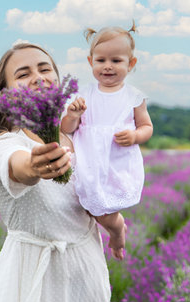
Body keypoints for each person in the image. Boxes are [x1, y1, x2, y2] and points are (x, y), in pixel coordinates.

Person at [0, 43, 111, 302]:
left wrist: (115, 224)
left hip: (87, 275)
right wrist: (36, 166)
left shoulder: (76, 136)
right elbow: (18, 165)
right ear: (6, 94)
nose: (38, 77)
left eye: (45, 69)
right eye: (23, 74)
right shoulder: (1, 145)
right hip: (33, 280)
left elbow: (90, 199)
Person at [61, 24, 153, 260]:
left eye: (116, 60)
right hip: (89, 162)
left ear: (130, 64)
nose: (108, 66)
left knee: (104, 210)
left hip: (116, 162)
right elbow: (67, 130)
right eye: (101, 60)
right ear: (91, 62)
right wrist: (72, 116)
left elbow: (147, 127)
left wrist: (134, 136)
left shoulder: (133, 97)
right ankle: (114, 229)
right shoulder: (84, 95)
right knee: (88, 208)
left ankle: (117, 230)